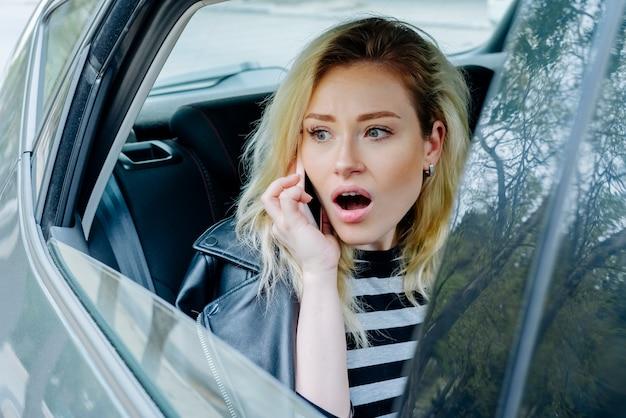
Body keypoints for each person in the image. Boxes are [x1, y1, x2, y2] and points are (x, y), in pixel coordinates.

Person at [176, 16, 470, 418]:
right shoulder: (257, 283)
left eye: (376, 132)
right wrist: (318, 275)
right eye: (320, 134)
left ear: (432, 144)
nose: (344, 162)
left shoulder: (473, 260)